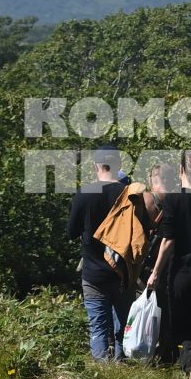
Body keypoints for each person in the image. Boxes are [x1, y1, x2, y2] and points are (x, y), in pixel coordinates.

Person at [146, 148, 191, 379]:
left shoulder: (175, 198)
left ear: (181, 170)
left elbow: (168, 241)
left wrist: (155, 272)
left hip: (181, 274)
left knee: (180, 325)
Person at [66, 145, 129, 359]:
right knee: (124, 324)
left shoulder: (85, 194)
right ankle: (123, 370)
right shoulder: (129, 194)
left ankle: (103, 371)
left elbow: (71, 232)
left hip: (93, 271)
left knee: (99, 326)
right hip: (123, 271)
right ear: (119, 165)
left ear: (96, 166)